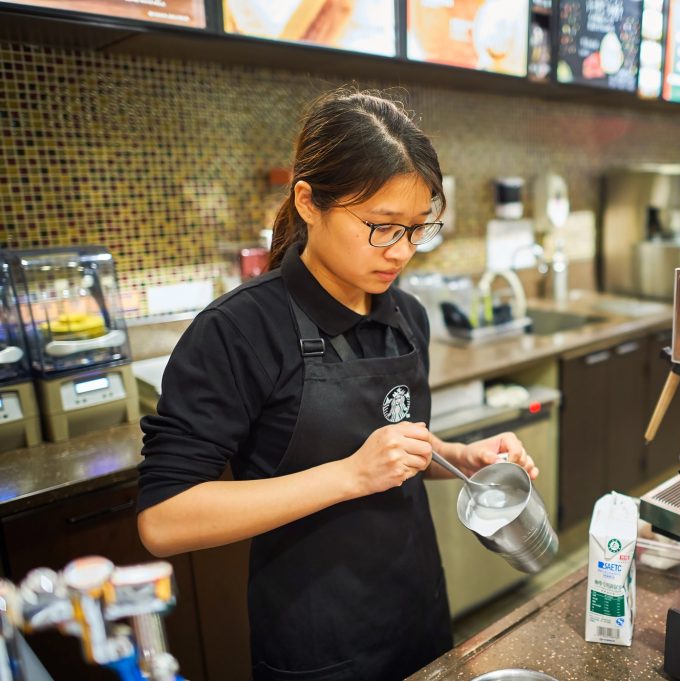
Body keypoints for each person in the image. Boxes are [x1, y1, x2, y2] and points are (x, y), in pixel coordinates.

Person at [136, 88, 539, 681]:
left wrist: (456, 457)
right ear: (308, 201)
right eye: (381, 227)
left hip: (418, 613)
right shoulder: (239, 330)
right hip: (316, 642)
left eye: (417, 229)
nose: (401, 251)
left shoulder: (406, 315)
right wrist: (349, 475)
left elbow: (390, 444)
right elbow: (165, 519)